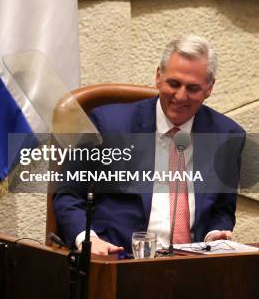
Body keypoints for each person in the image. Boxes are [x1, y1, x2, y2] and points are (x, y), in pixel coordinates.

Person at [53, 35, 245, 255]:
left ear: (209, 88)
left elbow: (223, 210)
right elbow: (68, 195)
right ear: (158, 77)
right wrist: (88, 240)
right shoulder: (108, 125)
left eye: (192, 88)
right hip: (118, 260)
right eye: (174, 84)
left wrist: (213, 237)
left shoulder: (227, 136)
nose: (180, 96)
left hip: (193, 265)